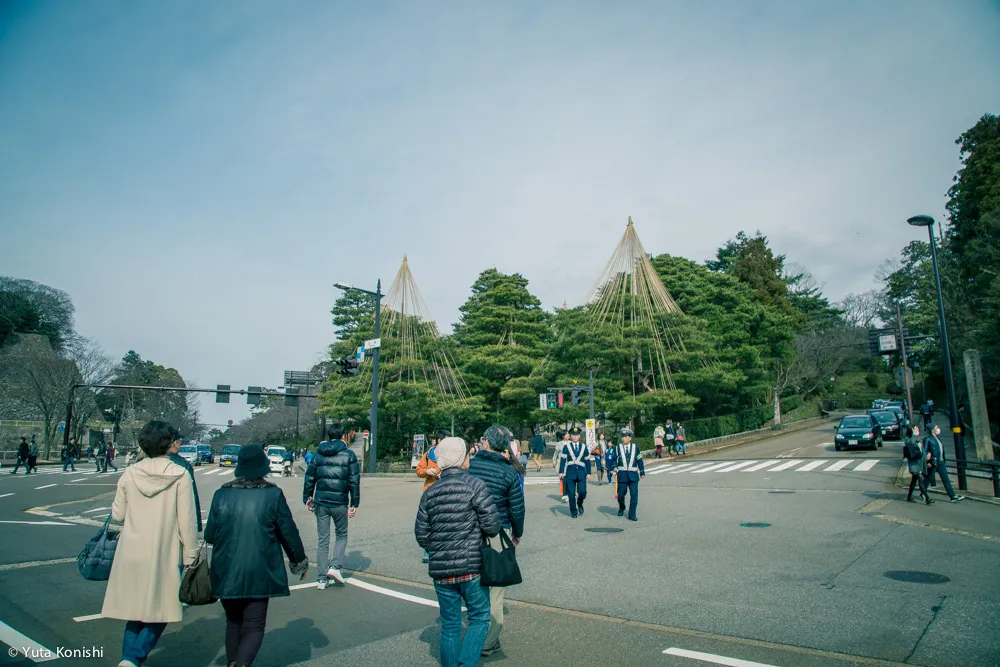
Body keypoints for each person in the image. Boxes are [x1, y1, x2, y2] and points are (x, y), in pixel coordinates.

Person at [101, 420, 199, 667]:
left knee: (135, 611)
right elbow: (187, 521)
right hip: (165, 551)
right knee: (161, 610)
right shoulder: (180, 474)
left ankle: (128, 659)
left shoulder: (130, 473)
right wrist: (191, 555)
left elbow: (117, 514)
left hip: (131, 549)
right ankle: (132, 658)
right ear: (169, 444)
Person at [205, 444, 309, 667]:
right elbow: (288, 532)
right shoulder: (272, 494)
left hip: (226, 569)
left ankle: (233, 662)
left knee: (233, 622)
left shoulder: (221, 494)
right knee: (254, 625)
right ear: (262, 466)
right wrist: (298, 561)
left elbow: (210, 535)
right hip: (260, 569)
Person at [415, 437, 500, 667]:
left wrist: (438, 549)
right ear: (463, 459)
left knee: (450, 624)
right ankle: (466, 663)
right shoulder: (476, 485)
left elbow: (422, 534)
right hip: (471, 565)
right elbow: (492, 526)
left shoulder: (430, 492)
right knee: (479, 617)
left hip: (441, 570)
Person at [468, 426, 526, 658]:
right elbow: (517, 508)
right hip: (498, 532)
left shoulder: (470, 466)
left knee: (474, 582)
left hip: (469, 530)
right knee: (496, 587)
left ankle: (476, 631)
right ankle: (488, 641)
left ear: (486, 443)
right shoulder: (509, 472)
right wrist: (517, 532)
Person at [302, 423, 360, 590]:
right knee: (341, 534)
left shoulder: (318, 454)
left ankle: (321, 579)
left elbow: (309, 478)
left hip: (321, 502)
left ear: (329, 436)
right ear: (343, 436)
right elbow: (354, 481)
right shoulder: (349, 455)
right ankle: (335, 566)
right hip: (340, 502)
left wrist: (307, 498)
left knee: (323, 539)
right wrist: (354, 503)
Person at [167, 432, 203, 532]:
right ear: (174, 443)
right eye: (179, 442)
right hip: (176, 521)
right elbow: (191, 496)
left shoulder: (144, 463)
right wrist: (196, 524)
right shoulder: (183, 465)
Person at [924, 425, 964, 503]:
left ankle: (952, 496)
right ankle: (923, 492)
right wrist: (927, 461)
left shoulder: (937, 438)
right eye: (936, 428)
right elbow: (925, 451)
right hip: (933, 462)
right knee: (929, 478)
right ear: (932, 430)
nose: (938, 429)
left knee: (945, 479)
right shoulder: (927, 439)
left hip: (941, 462)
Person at [612, 428, 645, 521]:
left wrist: (642, 471)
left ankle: (632, 514)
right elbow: (614, 460)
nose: (624, 438)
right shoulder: (617, 448)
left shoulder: (635, 447)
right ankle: (622, 507)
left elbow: (639, 460)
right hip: (622, 475)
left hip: (633, 476)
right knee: (620, 496)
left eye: (626, 437)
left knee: (634, 495)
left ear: (630, 438)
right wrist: (614, 467)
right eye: (622, 437)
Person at [558, 426, 591, 519]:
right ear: (570, 436)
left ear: (579, 436)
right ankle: (573, 511)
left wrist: (588, 473)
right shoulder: (566, 447)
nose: (575, 437)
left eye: (576, 435)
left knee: (582, 492)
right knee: (571, 494)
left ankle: (580, 503)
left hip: (581, 473)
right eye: (573, 435)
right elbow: (563, 460)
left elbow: (587, 461)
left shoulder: (583, 447)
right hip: (570, 473)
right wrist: (561, 472)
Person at [903, 427, 932, 505]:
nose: (918, 430)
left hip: (919, 463)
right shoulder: (908, 440)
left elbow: (922, 451)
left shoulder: (917, 439)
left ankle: (909, 496)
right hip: (913, 464)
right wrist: (913, 435)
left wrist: (926, 459)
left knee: (914, 481)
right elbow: (912, 444)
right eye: (915, 429)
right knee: (920, 479)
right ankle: (927, 498)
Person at [554, 431, 570, 502]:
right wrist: (554, 461)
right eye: (566, 434)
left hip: (570, 463)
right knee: (563, 479)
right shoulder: (559, 444)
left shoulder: (571, 443)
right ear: (563, 436)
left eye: (568, 434)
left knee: (569, 479)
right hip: (561, 463)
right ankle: (564, 494)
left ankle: (569, 493)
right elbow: (555, 454)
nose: (568, 435)